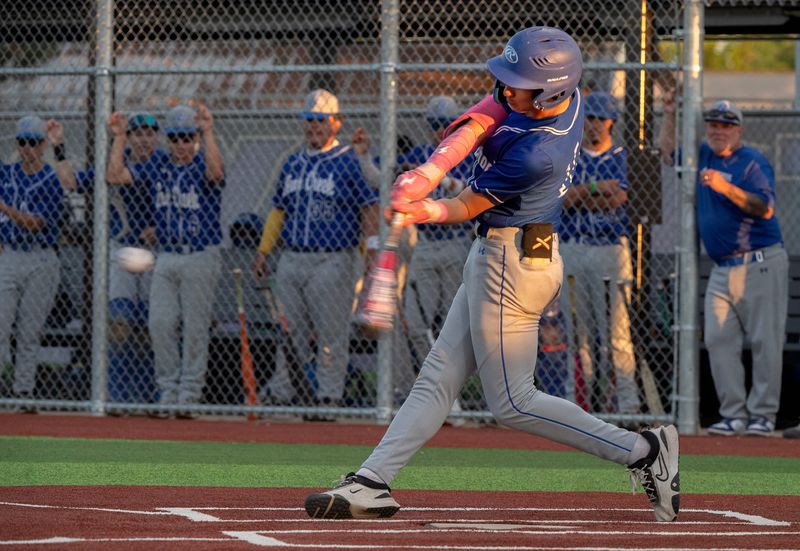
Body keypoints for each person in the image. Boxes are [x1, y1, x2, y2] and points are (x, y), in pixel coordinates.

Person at [304, 26, 680, 523]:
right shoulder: (552, 99)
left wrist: (424, 209)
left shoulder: (537, 153)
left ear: (550, 91)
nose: (505, 88)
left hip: (511, 264)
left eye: (518, 82)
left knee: (513, 403)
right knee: (437, 375)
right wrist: (430, 172)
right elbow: (483, 117)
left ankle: (642, 451)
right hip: (512, 254)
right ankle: (373, 480)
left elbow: (465, 205)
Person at [660, 94, 788, 437]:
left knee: (765, 341)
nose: (719, 131)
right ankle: (733, 413)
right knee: (718, 340)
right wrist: (670, 113)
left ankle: (763, 414)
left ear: (738, 130)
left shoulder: (751, 161)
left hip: (759, 260)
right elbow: (668, 151)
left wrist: (724, 186)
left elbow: (765, 208)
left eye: (726, 125)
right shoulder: (701, 153)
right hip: (720, 267)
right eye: (714, 124)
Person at [252, 89, 379, 413]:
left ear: (336, 123)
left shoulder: (349, 160)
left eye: (320, 120)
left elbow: (369, 209)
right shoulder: (293, 162)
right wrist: (264, 251)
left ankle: (328, 395)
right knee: (289, 332)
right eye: (309, 120)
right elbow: (278, 210)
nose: (313, 126)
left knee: (330, 333)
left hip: (334, 256)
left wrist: (371, 252)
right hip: (292, 257)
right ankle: (283, 391)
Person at [107, 104, 225, 418]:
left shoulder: (202, 161)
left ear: (195, 139)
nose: (181, 145)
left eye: (187, 137)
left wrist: (208, 132)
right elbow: (115, 175)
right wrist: (119, 137)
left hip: (199, 254)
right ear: (167, 140)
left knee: (195, 329)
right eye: (175, 138)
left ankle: (188, 396)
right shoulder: (158, 163)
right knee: (159, 324)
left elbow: (216, 173)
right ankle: (168, 391)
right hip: (167, 256)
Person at [559, 91, 640, 415]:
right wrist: (594, 189)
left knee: (616, 336)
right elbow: (563, 201)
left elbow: (619, 199)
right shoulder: (571, 154)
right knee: (577, 334)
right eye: (588, 118)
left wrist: (582, 196)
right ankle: (575, 404)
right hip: (575, 248)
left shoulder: (623, 156)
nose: (593, 125)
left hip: (610, 249)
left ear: (612, 122)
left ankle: (628, 405)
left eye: (599, 119)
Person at [400, 96, 474, 375]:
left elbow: (469, 192)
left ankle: (452, 387)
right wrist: (363, 157)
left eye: (445, 125)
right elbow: (384, 179)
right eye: (435, 125)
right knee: (417, 321)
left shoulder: (467, 153)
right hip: (426, 244)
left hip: (456, 243)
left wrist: (438, 178)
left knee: (452, 323)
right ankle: (430, 382)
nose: (439, 131)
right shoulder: (419, 154)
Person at [0, 116, 66, 410]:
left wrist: (3, 207)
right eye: (22, 142)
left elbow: (36, 223)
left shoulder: (50, 178)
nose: (27, 148)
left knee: (29, 331)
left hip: (41, 256)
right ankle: (5, 385)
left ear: (42, 146)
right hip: (10, 254)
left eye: (33, 142)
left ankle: (23, 393)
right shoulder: (6, 173)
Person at [102, 112, 165, 404]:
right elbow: (97, 177)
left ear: (156, 137)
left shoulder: (163, 161)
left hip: (159, 253)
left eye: (149, 133)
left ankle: (147, 393)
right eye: (137, 133)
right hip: (124, 249)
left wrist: (161, 228)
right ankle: (116, 395)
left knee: (150, 327)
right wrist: (60, 147)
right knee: (119, 322)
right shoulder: (121, 157)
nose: (143, 139)